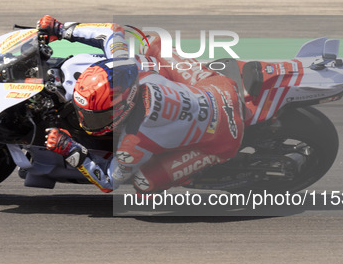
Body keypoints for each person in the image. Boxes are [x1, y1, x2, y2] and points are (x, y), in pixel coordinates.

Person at [37, 15, 245, 194]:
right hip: (217, 87)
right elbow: (113, 31)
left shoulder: (134, 141)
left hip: (223, 136)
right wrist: (61, 29)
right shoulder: (127, 65)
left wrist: (69, 148)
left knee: (143, 182)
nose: (86, 119)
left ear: (123, 108)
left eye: (98, 116)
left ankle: (197, 172)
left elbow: (109, 181)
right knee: (154, 44)